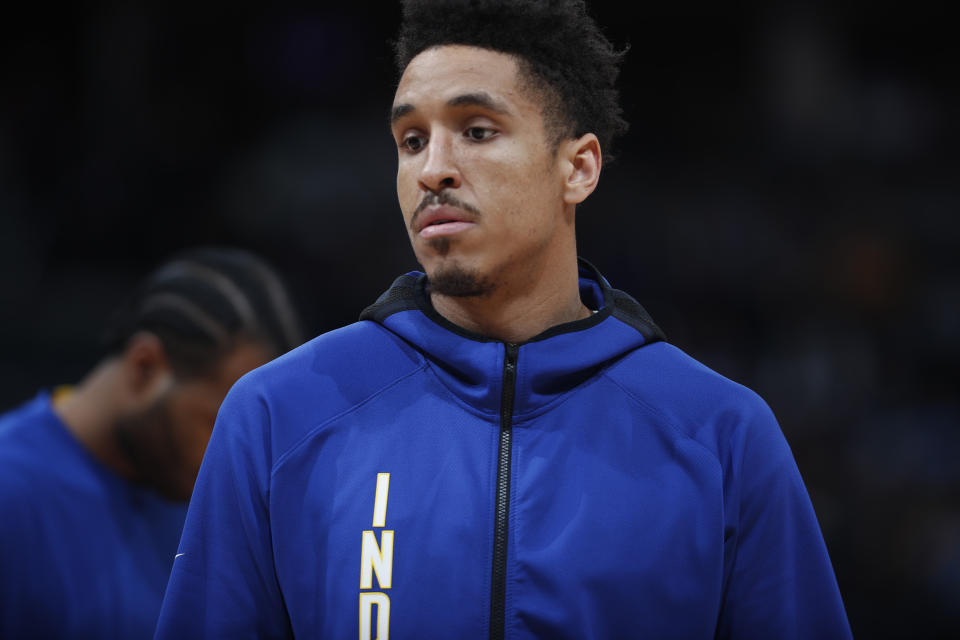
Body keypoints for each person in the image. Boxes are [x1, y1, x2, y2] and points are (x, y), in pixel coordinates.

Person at [156, 2, 852, 638]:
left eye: (477, 130)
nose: (433, 169)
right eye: (410, 140)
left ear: (578, 167)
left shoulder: (722, 435)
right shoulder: (278, 413)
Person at [0, 247, 303, 640]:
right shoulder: (10, 492)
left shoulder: (211, 503)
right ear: (145, 366)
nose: (234, 460)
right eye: (218, 424)